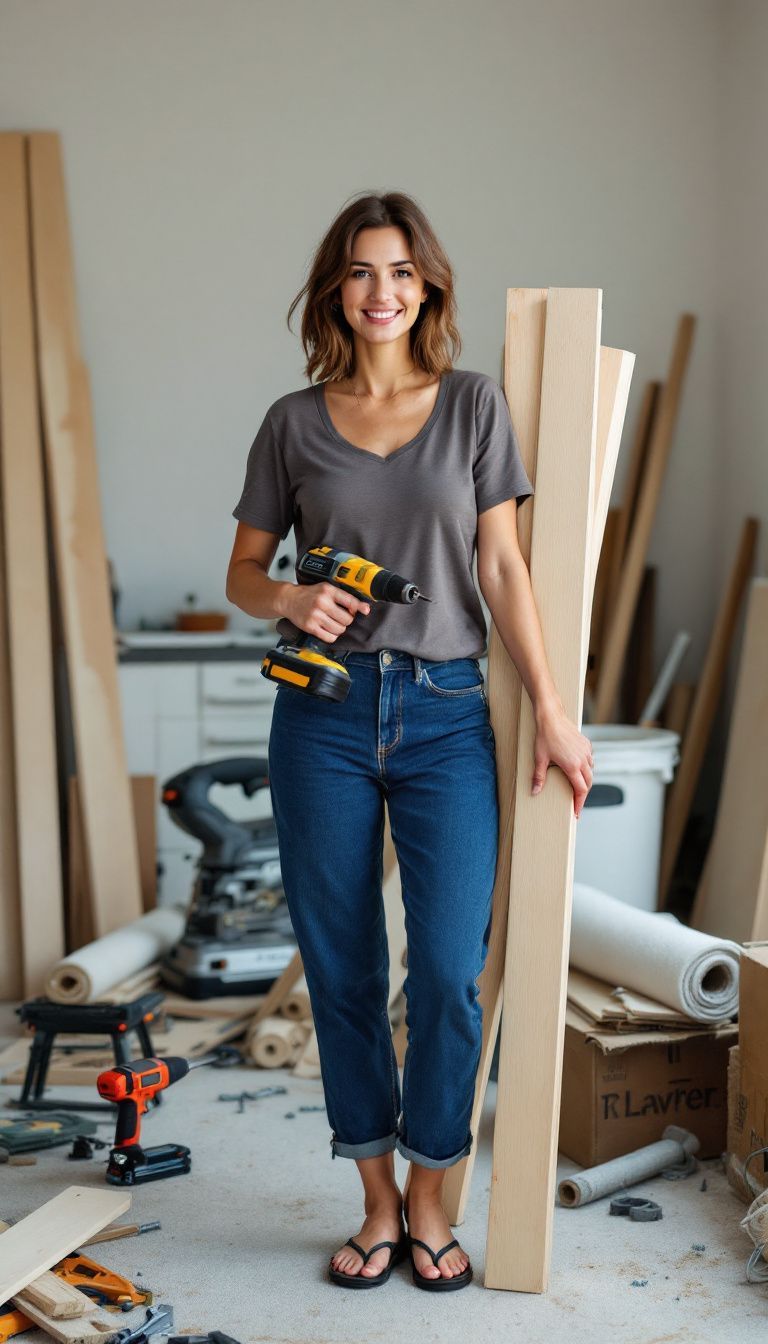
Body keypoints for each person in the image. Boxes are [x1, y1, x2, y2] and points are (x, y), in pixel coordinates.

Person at [226, 191, 594, 1292]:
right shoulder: (291, 422)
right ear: (334, 289)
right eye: (357, 272)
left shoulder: (474, 408)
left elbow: (502, 569)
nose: (379, 292)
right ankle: (378, 1201)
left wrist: (555, 710)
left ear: (427, 284)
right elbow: (243, 573)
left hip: (443, 713)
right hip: (322, 722)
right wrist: (290, 602)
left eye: (398, 271)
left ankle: (433, 1193)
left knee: (443, 973)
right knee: (343, 971)